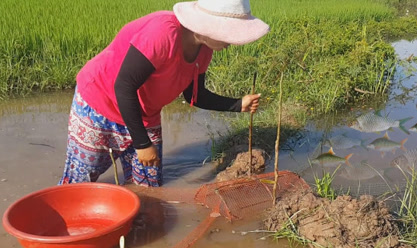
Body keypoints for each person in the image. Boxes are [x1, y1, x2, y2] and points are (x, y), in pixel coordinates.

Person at [59, 0, 270, 187]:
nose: (231, 42)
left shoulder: (205, 50)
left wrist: (237, 105)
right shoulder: (162, 33)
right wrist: (142, 144)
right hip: (100, 104)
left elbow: (194, 95)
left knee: (148, 187)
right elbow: (124, 86)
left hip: (145, 112)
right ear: (207, 27)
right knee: (81, 183)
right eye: (230, 34)